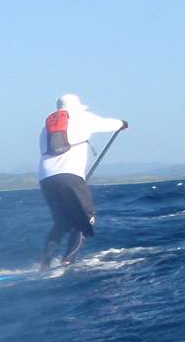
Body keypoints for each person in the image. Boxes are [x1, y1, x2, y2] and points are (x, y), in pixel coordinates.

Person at [36, 94, 127, 268]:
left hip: (45, 178)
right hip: (70, 176)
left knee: (62, 222)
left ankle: (44, 262)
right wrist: (122, 123)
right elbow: (108, 124)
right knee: (85, 219)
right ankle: (68, 261)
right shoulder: (82, 117)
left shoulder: (47, 127)